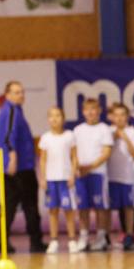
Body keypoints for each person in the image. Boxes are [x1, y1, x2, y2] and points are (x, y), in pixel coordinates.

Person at [0, 81, 44, 253]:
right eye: (16, 92)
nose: (21, 95)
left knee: (12, 206)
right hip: (19, 167)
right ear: (7, 95)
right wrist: (12, 157)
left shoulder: (15, 111)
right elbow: (8, 136)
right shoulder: (11, 111)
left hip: (21, 166)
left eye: (22, 92)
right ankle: (34, 241)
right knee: (28, 206)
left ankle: (2, 241)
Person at [72, 99, 113, 252]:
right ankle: (84, 237)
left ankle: (101, 238)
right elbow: (74, 153)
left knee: (100, 207)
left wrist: (89, 168)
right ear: (83, 112)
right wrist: (76, 167)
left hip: (98, 174)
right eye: (87, 109)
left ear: (99, 111)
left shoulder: (104, 129)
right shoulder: (77, 130)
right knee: (83, 207)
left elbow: (106, 153)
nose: (90, 112)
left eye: (93, 109)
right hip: (81, 175)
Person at [38, 107, 78, 254]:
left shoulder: (69, 136)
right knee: (53, 211)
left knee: (68, 211)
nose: (55, 119)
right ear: (48, 119)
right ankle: (54, 240)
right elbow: (43, 160)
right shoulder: (45, 138)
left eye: (58, 115)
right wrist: (43, 178)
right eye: (51, 116)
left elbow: (74, 157)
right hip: (51, 179)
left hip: (65, 179)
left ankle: (72, 240)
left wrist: (72, 175)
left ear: (63, 118)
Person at [107, 103, 134, 251]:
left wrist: (125, 138)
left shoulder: (133, 132)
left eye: (123, 115)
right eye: (116, 115)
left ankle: (129, 234)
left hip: (128, 176)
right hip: (111, 176)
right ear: (111, 117)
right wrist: (114, 138)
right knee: (109, 207)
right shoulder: (108, 132)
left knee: (129, 206)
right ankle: (105, 236)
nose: (119, 118)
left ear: (127, 116)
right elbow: (103, 153)